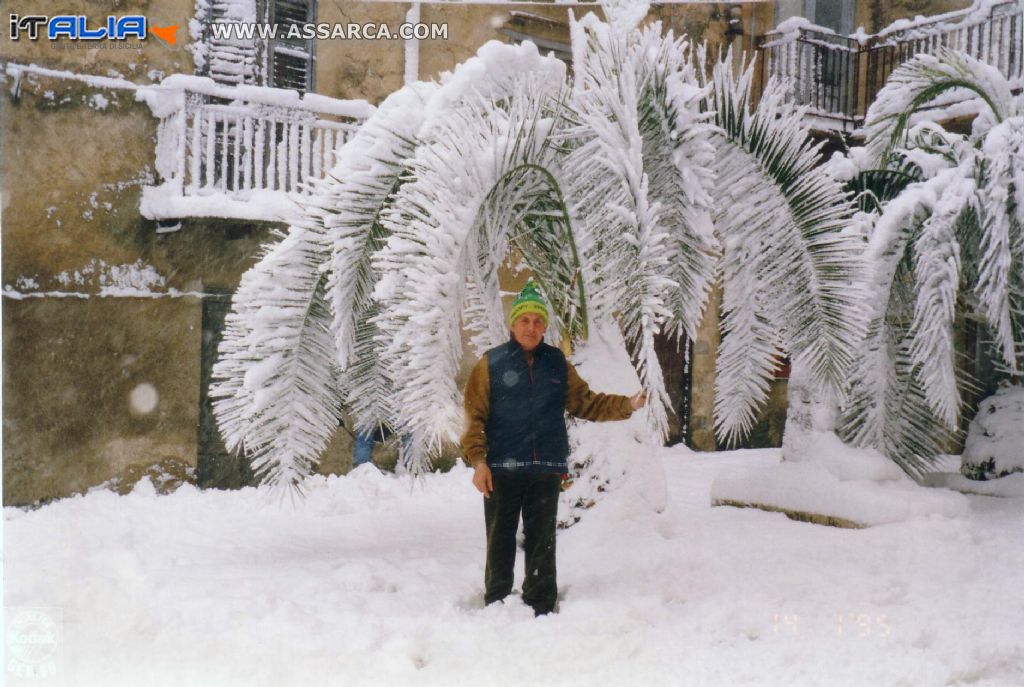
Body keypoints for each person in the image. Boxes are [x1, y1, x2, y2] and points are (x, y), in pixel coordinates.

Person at [460, 279, 647, 616]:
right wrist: (478, 462)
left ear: (544, 326)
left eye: (538, 321)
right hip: (502, 468)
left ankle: (541, 603)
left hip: (545, 467)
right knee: (500, 539)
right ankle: (497, 602)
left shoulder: (557, 364)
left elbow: (586, 403)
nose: (531, 327)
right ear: (513, 324)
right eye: (524, 320)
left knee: (542, 540)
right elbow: (474, 417)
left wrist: (627, 405)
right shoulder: (491, 364)